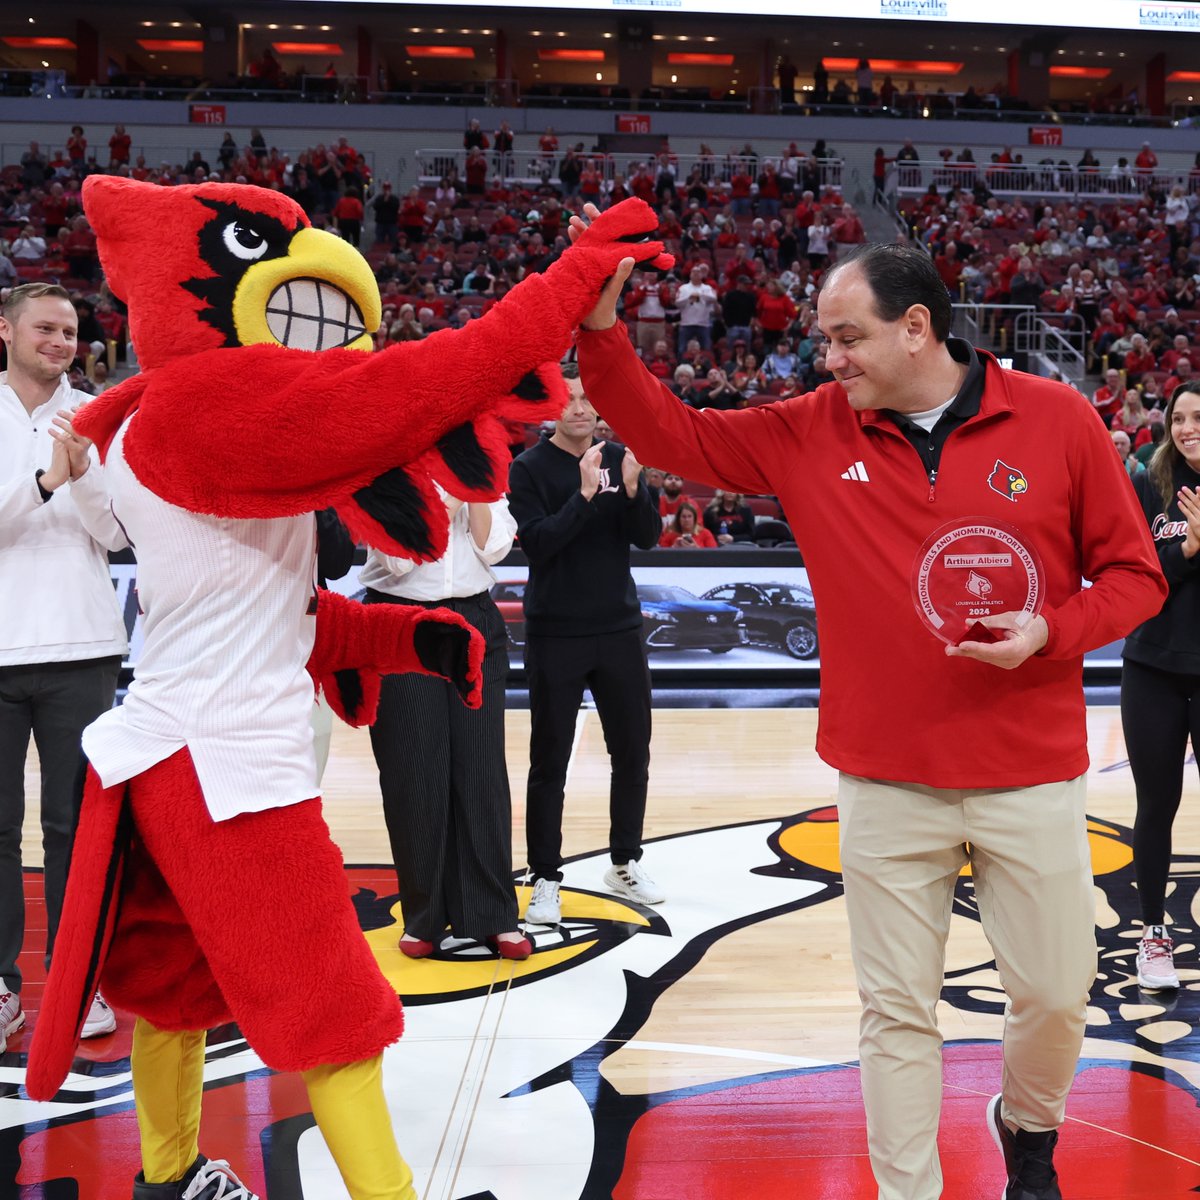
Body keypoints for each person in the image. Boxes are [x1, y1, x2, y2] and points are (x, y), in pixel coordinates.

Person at [570, 224, 1166, 1200]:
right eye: (824, 341)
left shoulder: (1059, 420)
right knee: (895, 1012)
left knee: (1057, 1000)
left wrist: (1049, 633)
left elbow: (1136, 577)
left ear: (917, 329)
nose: (829, 357)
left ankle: (1026, 1125)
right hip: (886, 780)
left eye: (848, 338)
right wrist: (602, 336)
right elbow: (673, 435)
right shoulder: (810, 429)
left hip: (1029, 770)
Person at [0, 284, 129, 1054]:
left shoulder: (97, 415)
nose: (59, 340)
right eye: (44, 327)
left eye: (70, 330)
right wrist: (45, 479)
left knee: (75, 827)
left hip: (82, 646)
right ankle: (4, 991)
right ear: (6, 329)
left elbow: (115, 534)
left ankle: (80, 981)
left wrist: (80, 476)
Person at [507, 363, 665, 928]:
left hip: (619, 629)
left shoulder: (619, 455)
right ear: (550, 406)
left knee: (633, 753)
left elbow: (645, 537)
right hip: (556, 631)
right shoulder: (526, 469)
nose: (579, 407)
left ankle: (625, 862)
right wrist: (582, 496)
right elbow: (539, 546)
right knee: (549, 761)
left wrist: (632, 489)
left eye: (587, 398)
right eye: (567, 397)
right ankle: (544, 875)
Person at [363, 490, 530, 962]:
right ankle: (425, 916)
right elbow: (397, 558)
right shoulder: (388, 467)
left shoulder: (480, 469)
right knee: (413, 772)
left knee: (482, 774)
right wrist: (446, 502)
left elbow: (495, 546)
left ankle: (494, 914)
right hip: (402, 621)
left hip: (475, 617)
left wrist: (471, 492)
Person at [1121, 381, 1200, 992]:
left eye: (1199, 417)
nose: (1188, 426)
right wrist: (1191, 551)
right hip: (1153, 667)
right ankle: (1153, 935)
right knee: (1156, 806)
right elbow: (1142, 575)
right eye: (1179, 417)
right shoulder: (1149, 482)